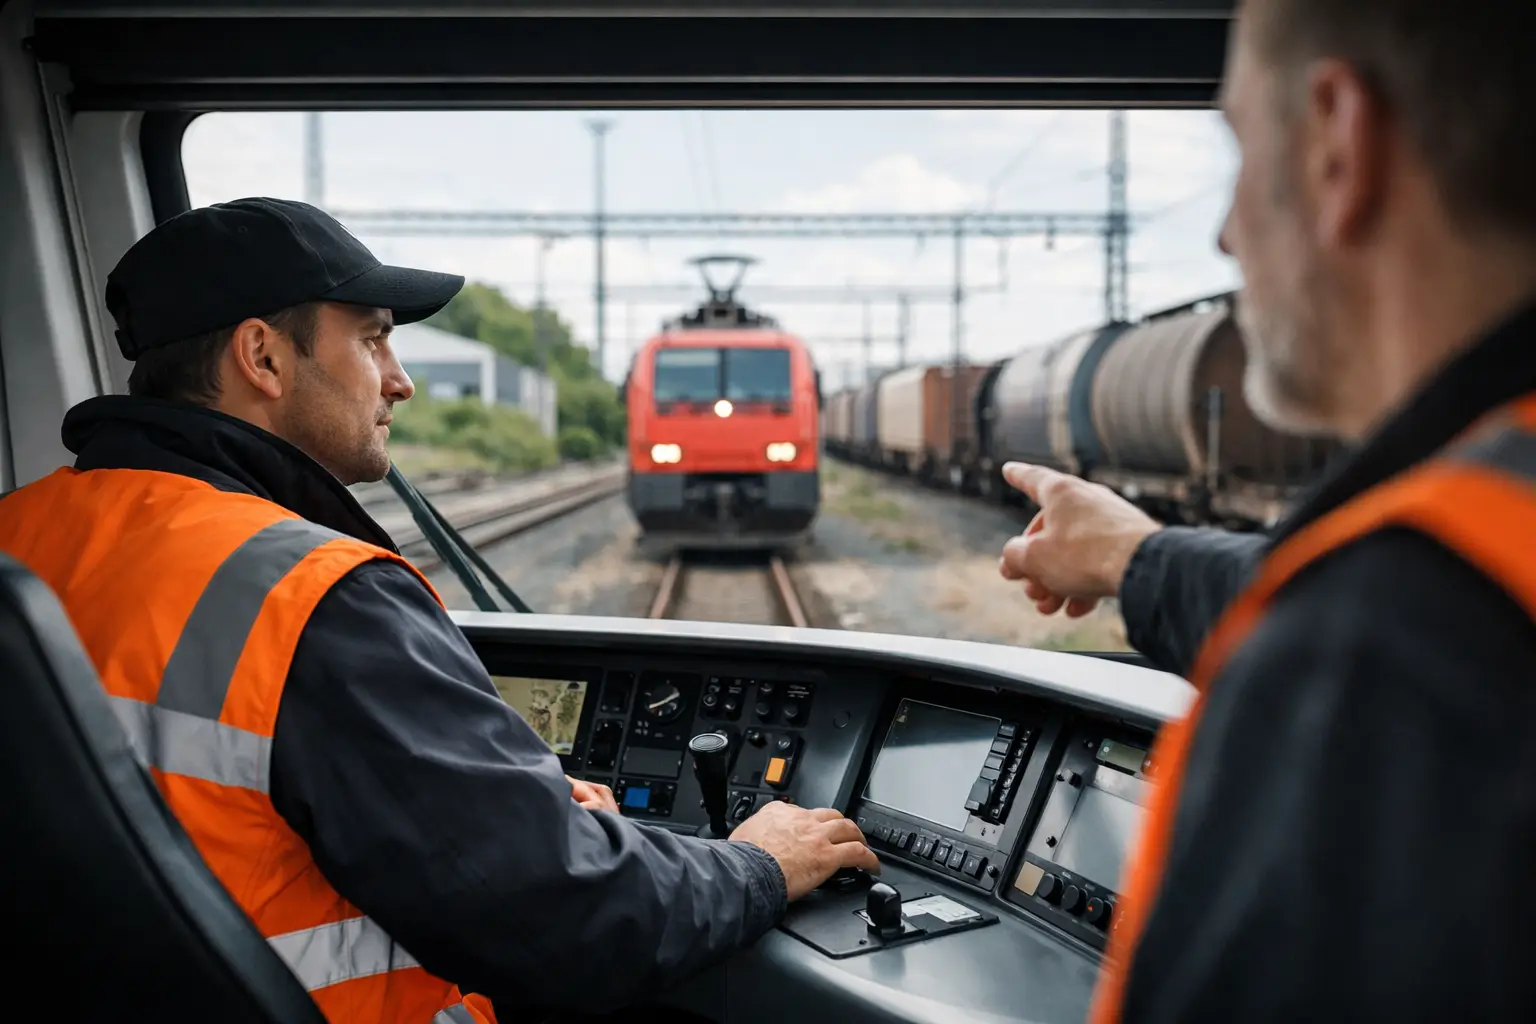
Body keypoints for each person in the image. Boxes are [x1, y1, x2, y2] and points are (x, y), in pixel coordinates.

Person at [0, 197, 878, 1024]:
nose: (400, 381)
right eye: (374, 342)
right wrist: (761, 862)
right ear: (262, 357)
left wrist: (502, 806)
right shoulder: (311, 595)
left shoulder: (20, 531)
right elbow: (579, 921)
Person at [998, 0, 1536, 1020]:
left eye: (1240, 146)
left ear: (1339, 143)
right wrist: (1138, 558)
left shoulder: (1383, 660)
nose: (1225, 230)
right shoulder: (1436, 594)